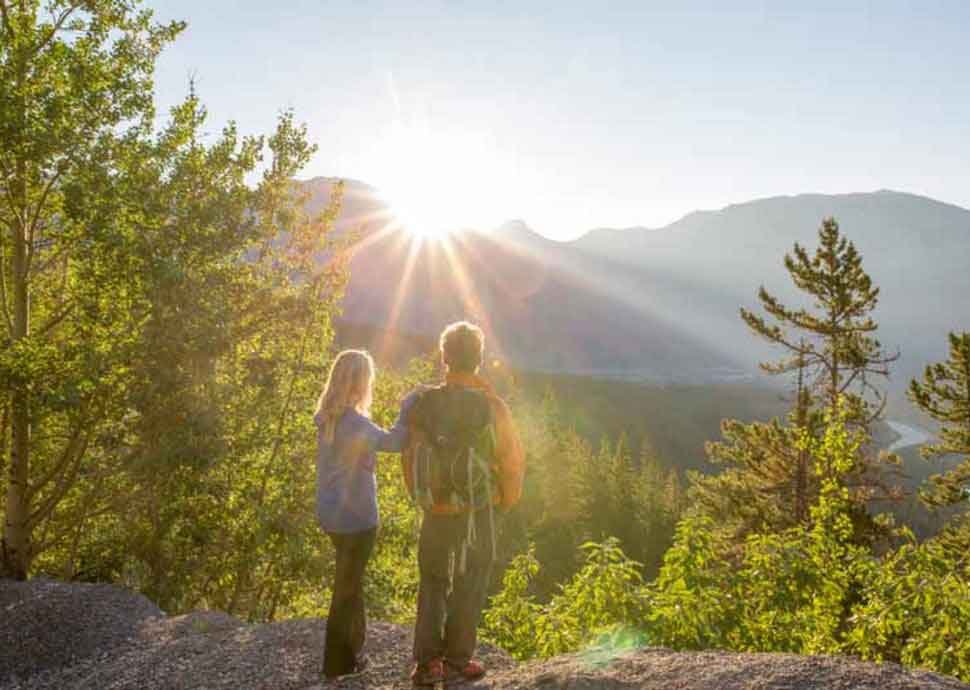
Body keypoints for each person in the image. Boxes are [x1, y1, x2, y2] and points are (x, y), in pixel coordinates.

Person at [403, 322, 525, 686]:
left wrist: (420, 495)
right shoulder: (491, 407)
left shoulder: (424, 403)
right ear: (479, 360)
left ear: (445, 358)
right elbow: (512, 460)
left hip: (435, 506)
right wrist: (505, 499)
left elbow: (409, 455)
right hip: (477, 507)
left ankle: (427, 663)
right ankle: (458, 658)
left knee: (432, 579)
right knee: (472, 578)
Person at [314, 349, 416, 679]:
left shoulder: (328, 416)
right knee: (347, 589)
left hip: (331, 516)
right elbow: (395, 442)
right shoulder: (355, 423)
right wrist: (408, 406)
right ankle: (336, 664)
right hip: (356, 520)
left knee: (350, 586)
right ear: (360, 382)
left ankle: (352, 655)